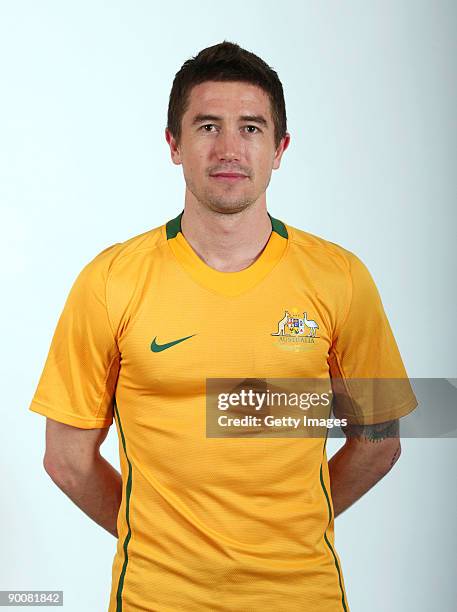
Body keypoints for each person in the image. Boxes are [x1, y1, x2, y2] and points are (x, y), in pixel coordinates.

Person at [29, 40, 418, 611]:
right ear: (174, 145)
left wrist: (289, 527)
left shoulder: (340, 278)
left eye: (252, 128)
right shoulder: (111, 281)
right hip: (154, 600)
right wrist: (163, 540)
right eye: (207, 126)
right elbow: (66, 458)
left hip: (301, 596)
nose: (229, 148)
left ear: (281, 148)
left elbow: (378, 440)